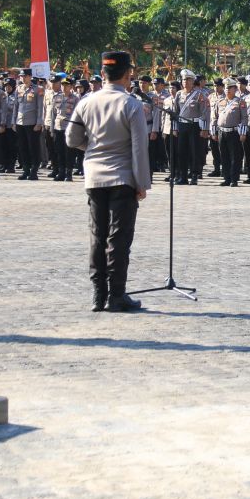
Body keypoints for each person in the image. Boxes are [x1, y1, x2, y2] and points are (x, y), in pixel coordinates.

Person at [65, 51, 152, 312]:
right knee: (119, 238)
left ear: (103, 74)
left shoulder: (86, 102)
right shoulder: (131, 104)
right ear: (127, 75)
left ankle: (98, 295)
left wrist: (93, 148)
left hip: (94, 176)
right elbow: (139, 148)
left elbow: (71, 138)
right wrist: (142, 183)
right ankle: (116, 295)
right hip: (122, 177)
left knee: (97, 236)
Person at [211, 78, 247, 186]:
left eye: (230, 88)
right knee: (224, 156)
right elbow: (214, 117)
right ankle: (226, 178)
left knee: (235, 157)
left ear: (235, 89)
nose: (227, 90)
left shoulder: (240, 102)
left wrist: (243, 133)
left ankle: (234, 179)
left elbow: (244, 118)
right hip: (222, 132)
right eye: (226, 88)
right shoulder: (220, 102)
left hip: (234, 132)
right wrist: (214, 132)